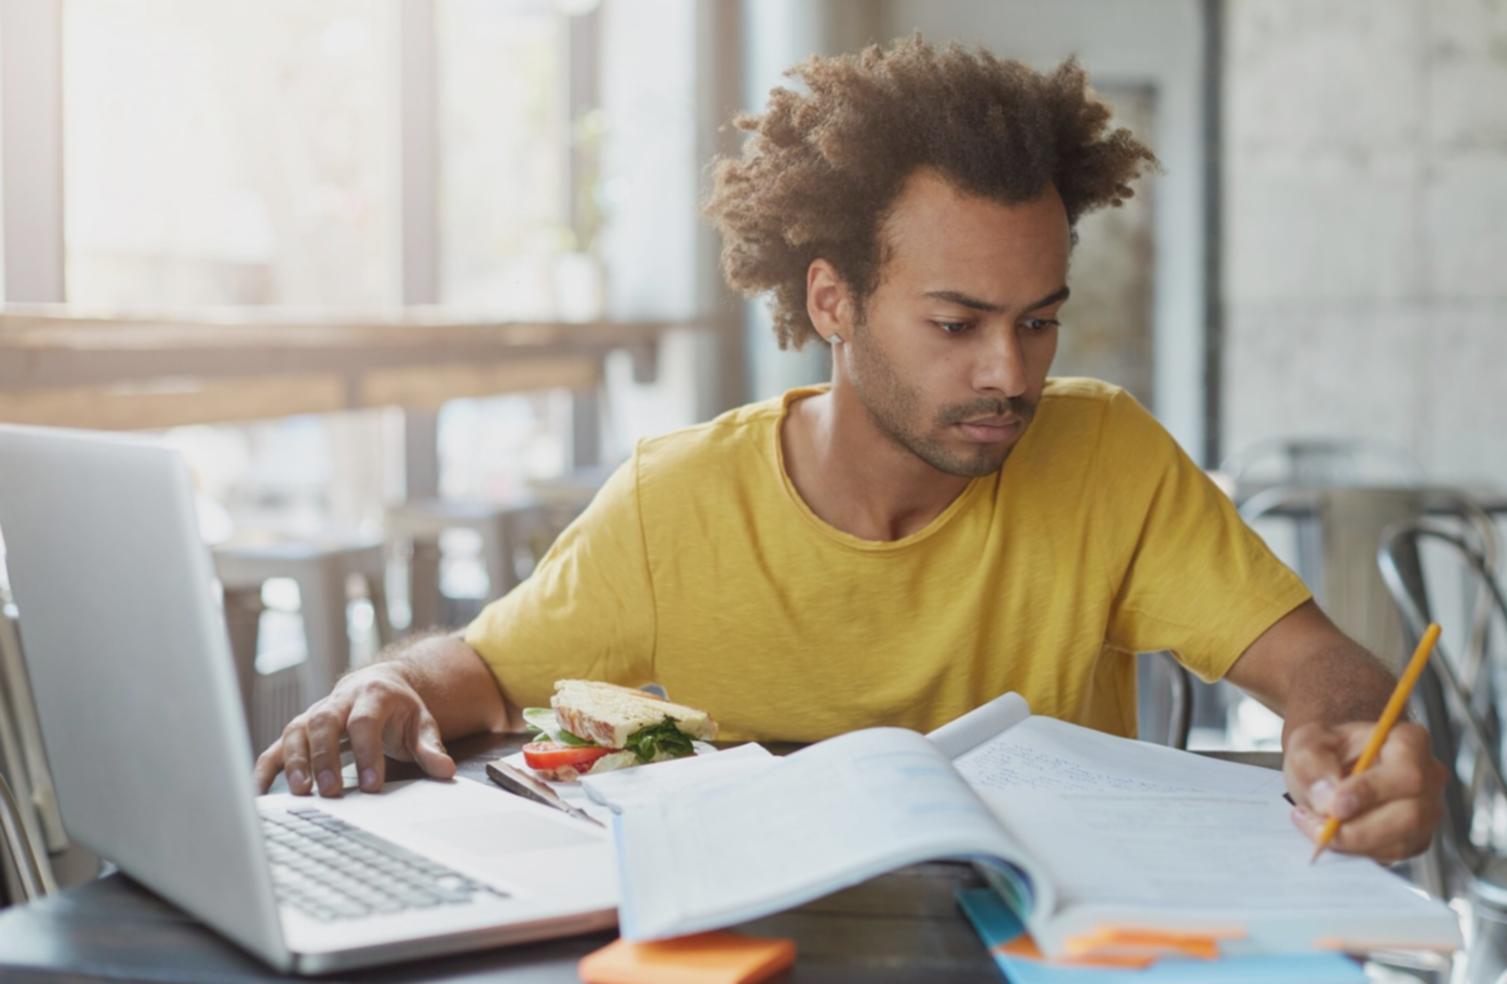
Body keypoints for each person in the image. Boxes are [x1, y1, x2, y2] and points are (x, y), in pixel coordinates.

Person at [254, 37, 1444, 864]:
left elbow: (1323, 674)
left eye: (1038, 319)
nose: (1009, 373)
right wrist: (380, 686)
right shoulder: (678, 505)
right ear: (830, 301)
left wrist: (1349, 731)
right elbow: (468, 673)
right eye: (955, 323)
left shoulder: (1107, 459)